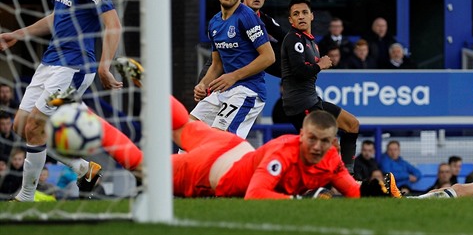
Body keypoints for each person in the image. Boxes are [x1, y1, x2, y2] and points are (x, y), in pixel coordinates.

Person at [0, 0, 124, 202]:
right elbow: (58, 18)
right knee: (22, 126)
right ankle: (84, 168)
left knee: (34, 126)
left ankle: (26, 196)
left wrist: (104, 64)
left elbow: (113, 23)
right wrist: (19, 34)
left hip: (75, 66)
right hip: (51, 61)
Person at [51, 104, 402, 199]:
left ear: (331, 141)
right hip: (209, 169)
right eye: (312, 139)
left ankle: (149, 83)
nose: (318, 147)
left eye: (325, 142)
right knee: (142, 168)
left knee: (183, 127)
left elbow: (350, 188)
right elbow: (255, 195)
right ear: (302, 134)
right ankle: (86, 117)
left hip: (231, 146)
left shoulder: (330, 160)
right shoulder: (282, 153)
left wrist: (371, 191)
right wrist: (300, 202)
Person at [190, 0, 275, 138]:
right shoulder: (214, 22)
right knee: (189, 132)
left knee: (220, 139)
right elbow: (217, 64)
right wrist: (203, 84)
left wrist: (234, 76)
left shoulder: (247, 17)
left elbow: (268, 57)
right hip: (224, 90)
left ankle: (244, 164)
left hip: (248, 90)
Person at [280, 0, 360, 172]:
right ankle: (326, 185)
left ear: (312, 16)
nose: (301, 16)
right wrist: (320, 65)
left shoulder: (312, 43)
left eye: (304, 12)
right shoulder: (293, 39)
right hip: (300, 104)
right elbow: (299, 71)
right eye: (296, 14)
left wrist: (317, 65)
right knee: (328, 144)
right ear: (290, 20)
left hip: (312, 100)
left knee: (352, 125)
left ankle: (348, 174)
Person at [197, 0, 286, 81]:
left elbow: (286, 40)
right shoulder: (229, 15)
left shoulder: (266, 20)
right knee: (201, 91)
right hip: (223, 64)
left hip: (245, 76)